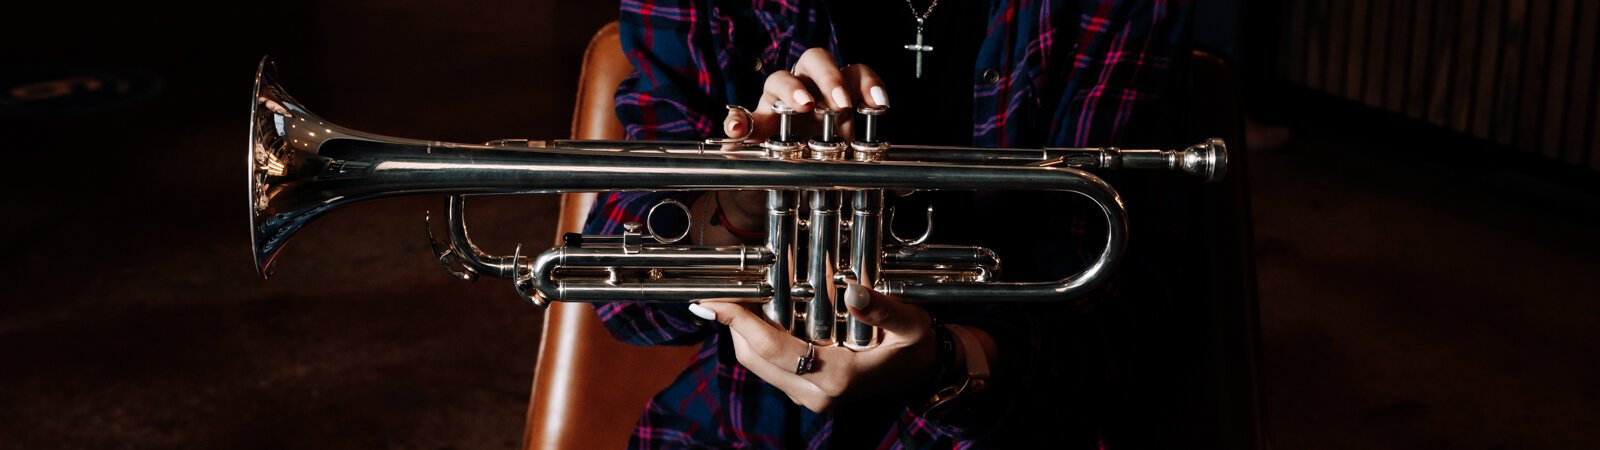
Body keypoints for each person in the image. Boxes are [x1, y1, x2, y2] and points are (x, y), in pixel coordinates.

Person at [583, 0, 1194, 447]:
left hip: (1011, 429)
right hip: (742, 426)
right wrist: (740, 204)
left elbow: (1122, 323)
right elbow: (622, 299)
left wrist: (948, 363)